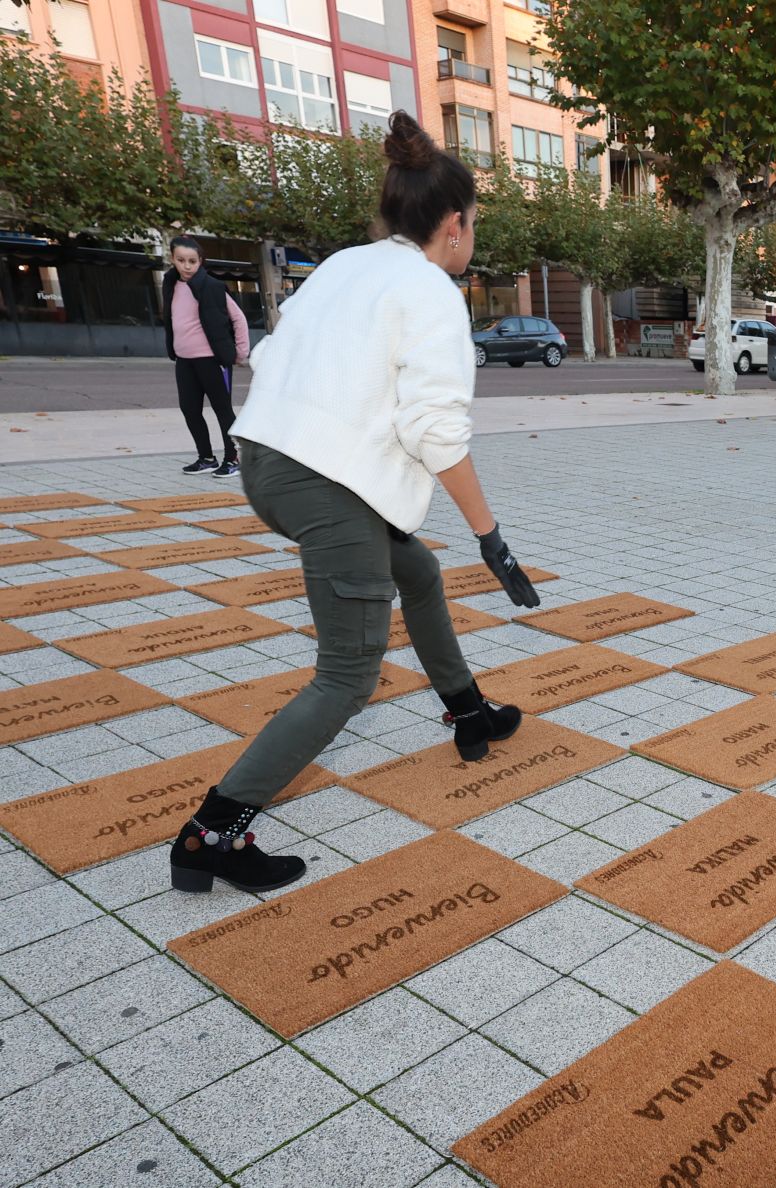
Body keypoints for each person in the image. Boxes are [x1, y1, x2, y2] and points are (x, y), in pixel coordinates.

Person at [166, 112, 542, 896]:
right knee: (346, 675)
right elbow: (436, 431)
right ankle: (212, 834)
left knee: (418, 572)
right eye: (475, 224)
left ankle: (467, 711)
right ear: (452, 225)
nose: (473, 237)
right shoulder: (434, 295)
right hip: (324, 483)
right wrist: (492, 535)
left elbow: (271, 353)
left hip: (267, 460)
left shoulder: (344, 264)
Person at [164, 236, 250, 477]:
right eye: (181, 260)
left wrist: (240, 352)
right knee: (189, 409)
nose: (187, 266)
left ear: (200, 261)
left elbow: (239, 319)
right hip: (184, 360)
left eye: (192, 261)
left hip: (212, 360)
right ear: (173, 259)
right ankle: (206, 458)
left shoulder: (212, 286)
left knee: (222, 410)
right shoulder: (171, 285)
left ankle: (232, 459)